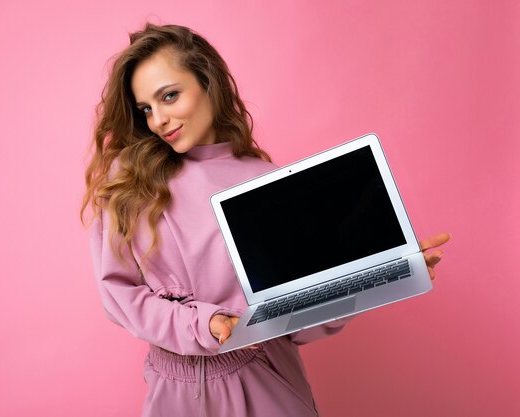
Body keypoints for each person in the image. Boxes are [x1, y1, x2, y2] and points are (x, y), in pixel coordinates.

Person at [81, 23, 450, 417]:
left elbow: (296, 323)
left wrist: (384, 276)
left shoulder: (263, 180)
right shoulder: (129, 180)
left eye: (170, 96)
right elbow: (119, 296)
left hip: (266, 380)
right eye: (146, 110)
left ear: (209, 82)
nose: (159, 121)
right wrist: (206, 324)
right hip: (174, 393)